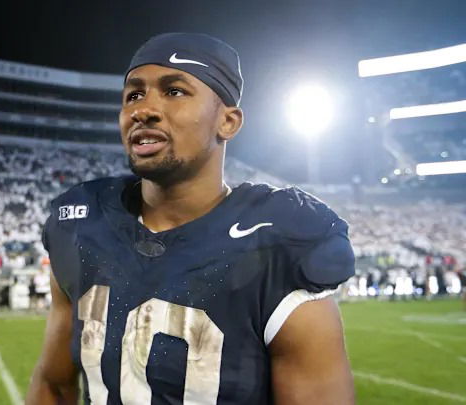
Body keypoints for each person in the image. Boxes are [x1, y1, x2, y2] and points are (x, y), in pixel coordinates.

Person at [27, 33, 355, 405]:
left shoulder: (278, 243)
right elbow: (53, 385)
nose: (143, 110)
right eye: (134, 95)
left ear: (228, 122)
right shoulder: (82, 227)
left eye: (174, 91)